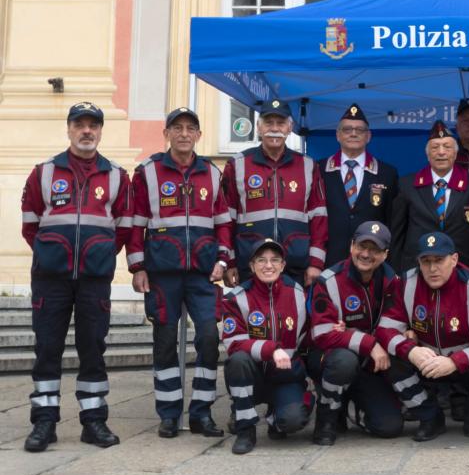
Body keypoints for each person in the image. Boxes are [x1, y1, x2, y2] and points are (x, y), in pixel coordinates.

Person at [21, 101, 132, 452]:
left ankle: (94, 420)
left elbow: (124, 228)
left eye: (93, 125)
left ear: (100, 131)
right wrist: (54, 253)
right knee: (47, 348)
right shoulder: (43, 172)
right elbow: (30, 224)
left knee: (93, 348)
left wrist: (96, 255)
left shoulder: (116, 176)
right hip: (50, 278)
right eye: (80, 124)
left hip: (94, 279)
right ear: (69, 129)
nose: (87, 131)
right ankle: (44, 422)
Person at [127, 107, 231, 438]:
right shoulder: (148, 172)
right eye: (177, 128)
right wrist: (137, 266)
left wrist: (224, 260)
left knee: (209, 337)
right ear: (167, 133)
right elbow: (135, 223)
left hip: (202, 273)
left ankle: (201, 412)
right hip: (162, 272)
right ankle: (169, 413)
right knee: (164, 341)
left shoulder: (213, 175)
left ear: (199, 135)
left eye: (190, 128)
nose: (184, 134)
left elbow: (224, 223)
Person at [376, 232, 469, 441]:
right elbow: (385, 329)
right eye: (426, 261)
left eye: (439, 260)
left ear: (454, 259)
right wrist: (411, 351)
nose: (432, 268)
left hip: (465, 365)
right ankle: (429, 417)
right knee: (390, 358)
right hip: (425, 361)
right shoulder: (404, 283)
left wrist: (455, 362)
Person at [309, 221, 403, 445]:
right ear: (351, 246)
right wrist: (369, 342)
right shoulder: (328, 280)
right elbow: (323, 334)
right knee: (344, 360)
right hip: (329, 358)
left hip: (370, 365)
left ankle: (348, 406)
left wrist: (353, 334)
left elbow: (395, 325)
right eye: (362, 246)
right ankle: (327, 417)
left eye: (375, 249)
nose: (366, 254)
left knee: (390, 427)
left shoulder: (393, 282)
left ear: (385, 254)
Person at [222, 99, 328, 287]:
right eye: (269, 123)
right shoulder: (237, 165)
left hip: (296, 265)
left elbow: (319, 218)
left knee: (295, 316)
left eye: (280, 123)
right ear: (259, 127)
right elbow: (225, 219)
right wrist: (229, 262)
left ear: (290, 128)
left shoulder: (308, 165)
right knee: (252, 317)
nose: (274, 128)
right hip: (251, 263)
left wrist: (315, 263)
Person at [221, 239, 313, 454]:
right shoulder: (236, 297)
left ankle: (276, 417)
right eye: (261, 260)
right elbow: (234, 342)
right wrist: (271, 349)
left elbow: (309, 334)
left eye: (274, 260)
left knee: (292, 421)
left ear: (283, 265)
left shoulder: (297, 292)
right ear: (252, 266)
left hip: (286, 377)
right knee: (238, 360)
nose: (268, 266)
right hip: (252, 375)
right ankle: (245, 428)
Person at [391, 120, 469, 272]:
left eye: (447, 147)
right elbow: (397, 234)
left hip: (463, 269)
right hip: (417, 268)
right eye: (435, 147)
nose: (441, 152)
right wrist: (395, 272)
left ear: (455, 154)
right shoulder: (407, 185)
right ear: (428, 154)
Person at [320, 103, 398, 266]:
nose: (353, 134)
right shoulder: (319, 169)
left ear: (368, 136)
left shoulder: (387, 173)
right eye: (347, 129)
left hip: (371, 260)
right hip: (329, 258)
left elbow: (392, 221)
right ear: (338, 135)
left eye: (359, 130)